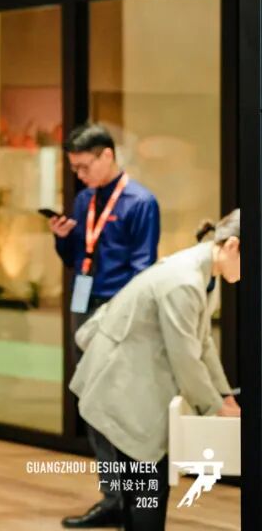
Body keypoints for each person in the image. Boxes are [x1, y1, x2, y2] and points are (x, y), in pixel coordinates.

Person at [70, 210, 242, 531]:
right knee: (147, 486)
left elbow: (203, 341)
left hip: (135, 383)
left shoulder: (205, 273)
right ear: (232, 245)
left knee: (145, 484)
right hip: (122, 384)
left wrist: (224, 396)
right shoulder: (185, 280)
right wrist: (215, 407)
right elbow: (185, 357)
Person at [51, 123, 160, 528]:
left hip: (117, 311)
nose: (80, 176)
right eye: (75, 169)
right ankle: (112, 495)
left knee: (119, 404)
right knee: (91, 401)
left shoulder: (140, 202)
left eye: (84, 167)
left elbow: (143, 268)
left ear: (107, 155)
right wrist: (62, 238)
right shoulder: (84, 201)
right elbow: (77, 257)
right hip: (84, 305)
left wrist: (124, 317)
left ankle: (132, 498)